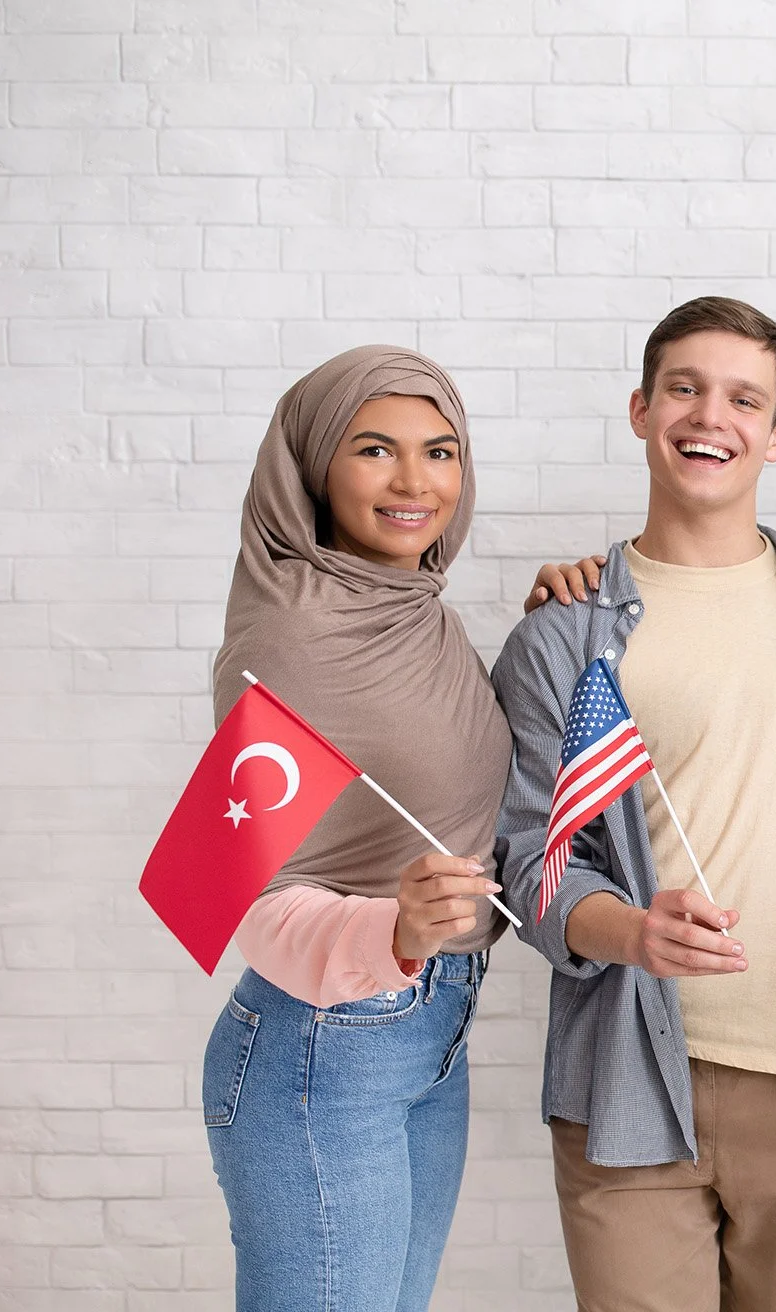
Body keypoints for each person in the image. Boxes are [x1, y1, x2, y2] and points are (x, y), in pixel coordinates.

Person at [488, 296, 776, 1311]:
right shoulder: (563, 636)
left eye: (741, 397)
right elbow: (527, 855)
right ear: (639, 408)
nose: (707, 414)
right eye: (683, 386)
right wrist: (628, 929)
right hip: (627, 1076)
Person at [201, 347, 511, 1311]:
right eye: (375, 449)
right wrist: (395, 930)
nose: (417, 482)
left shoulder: (421, 615)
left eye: (441, 451)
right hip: (322, 1050)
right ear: (313, 468)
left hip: (431, 1030)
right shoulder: (291, 634)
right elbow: (236, 892)